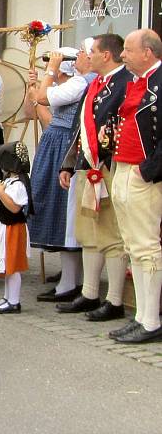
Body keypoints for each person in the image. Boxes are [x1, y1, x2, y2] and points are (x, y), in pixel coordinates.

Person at [56, 34, 131, 321]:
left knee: (111, 234)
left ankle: (114, 300)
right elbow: (80, 129)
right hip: (89, 166)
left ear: (106, 55)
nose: (87, 57)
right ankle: (89, 293)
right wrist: (68, 164)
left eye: (92, 52)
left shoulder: (125, 83)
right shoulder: (96, 84)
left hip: (109, 166)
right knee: (88, 232)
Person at [108, 29, 162, 344]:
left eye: (128, 50)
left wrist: (149, 169)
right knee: (132, 246)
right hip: (125, 167)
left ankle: (151, 320)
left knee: (146, 247)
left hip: (143, 173)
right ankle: (141, 315)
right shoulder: (138, 82)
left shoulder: (158, 83)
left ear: (148, 52)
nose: (123, 55)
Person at [27, 48, 89, 303]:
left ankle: (70, 282)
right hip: (58, 144)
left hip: (63, 146)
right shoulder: (73, 84)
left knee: (62, 210)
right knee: (58, 209)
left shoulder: (76, 84)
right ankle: (71, 278)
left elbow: (43, 105)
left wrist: (48, 74)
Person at [0, 141, 33, 314]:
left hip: (13, 228)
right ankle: (7, 297)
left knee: (13, 266)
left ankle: (14, 301)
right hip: (4, 226)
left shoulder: (18, 184)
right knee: (8, 266)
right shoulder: (9, 181)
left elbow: (15, 207)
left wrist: (1, 193)